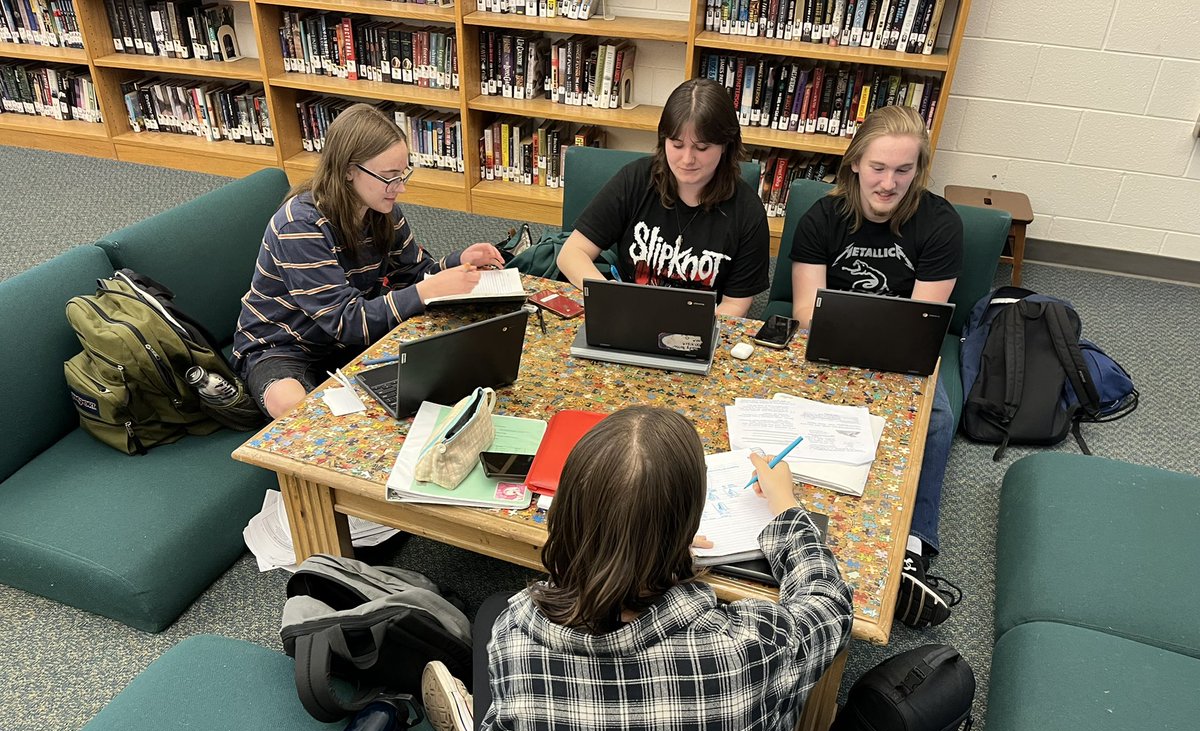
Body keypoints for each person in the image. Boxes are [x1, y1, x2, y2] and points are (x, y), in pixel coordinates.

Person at [422, 405, 853, 731]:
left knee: (502, 726)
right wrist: (785, 508)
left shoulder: (515, 632)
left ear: (567, 511)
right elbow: (828, 606)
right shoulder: (744, 653)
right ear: (687, 526)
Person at [788, 103, 964, 626]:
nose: (889, 183)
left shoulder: (939, 223)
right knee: (782, 407)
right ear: (856, 164)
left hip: (902, 354)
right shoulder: (823, 217)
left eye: (903, 170)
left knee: (936, 419)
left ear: (919, 171)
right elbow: (804, 309)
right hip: (828, 342)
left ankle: (911, 548)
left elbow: (924, 319)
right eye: (879, 168)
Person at [232, 103, 506, 418]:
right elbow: (346, 321)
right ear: (349, 170)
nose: (400, 188)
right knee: (293, 408)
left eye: (403, 175)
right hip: (282, 346)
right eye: (389, 177)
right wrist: (426, 291)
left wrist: (458, 262)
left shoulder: (380, 209)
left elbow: (413, 273)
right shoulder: (299, 225)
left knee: (432, 379)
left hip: (345, 341)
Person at [556, 78, 770, 317]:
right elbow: (571, 254)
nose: (687, 159)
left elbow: (735, 305)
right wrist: (612, 295)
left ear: (725, 146)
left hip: (698, 325)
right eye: (677, 145)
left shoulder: (748, 212)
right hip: (628, 313)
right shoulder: (636, 180)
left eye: (701, 148)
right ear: (663, 140)